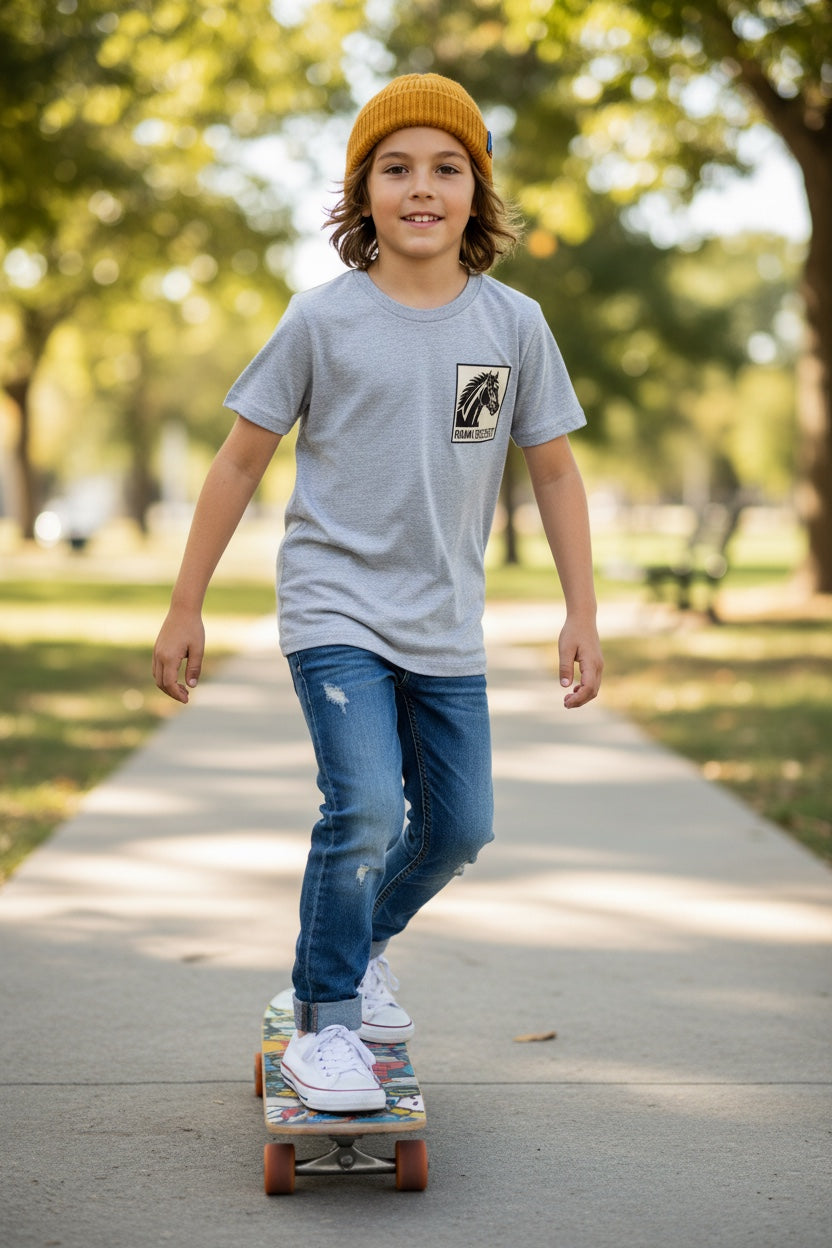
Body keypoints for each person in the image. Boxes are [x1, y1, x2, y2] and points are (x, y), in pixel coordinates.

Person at [153, 73, 603, 1113]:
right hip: (335, 609)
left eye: (447, 168)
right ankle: (325, 1023)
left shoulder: (513, 324)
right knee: (359, 806)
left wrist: (583, 612)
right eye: (394, 168)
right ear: (361, 194)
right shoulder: (321, 321)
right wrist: (187, 602)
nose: (421, 187)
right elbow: (236, 464)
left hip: (445, 621)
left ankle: (359, 948)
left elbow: (554, 472)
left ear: (476, 195)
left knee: (458, 830)